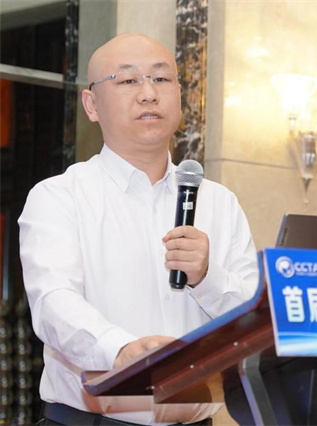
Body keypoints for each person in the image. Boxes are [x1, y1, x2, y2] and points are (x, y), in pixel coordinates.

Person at [18, 33, 259, 425]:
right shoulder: (59, 197)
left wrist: (208, 277)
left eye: (161, 79)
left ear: (179, 95)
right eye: (128, 80)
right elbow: (54, 305)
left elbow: (253, 322)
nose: (149, 94)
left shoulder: (220, 202)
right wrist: (123, 352)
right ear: (91, 104)